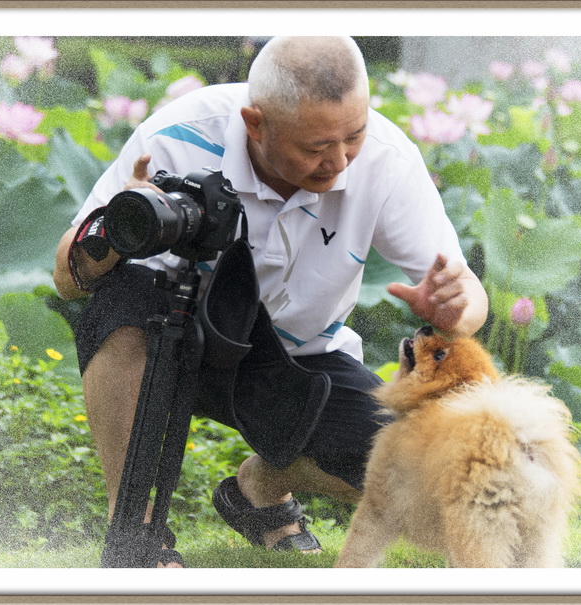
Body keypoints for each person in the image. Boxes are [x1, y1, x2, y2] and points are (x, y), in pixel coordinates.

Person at [53, 36, 488, 568]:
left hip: (298, 359)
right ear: (256, 123)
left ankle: (263, 483)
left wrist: (455, 311)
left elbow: (469, 294)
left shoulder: (386, 159)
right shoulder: (181, 137)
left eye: (353, 135)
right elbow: (68, 278)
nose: (340, 161)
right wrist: (119, 231)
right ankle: (138, 541)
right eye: (316, 147)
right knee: (120, 301)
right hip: (175, 340)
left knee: (421, 478)